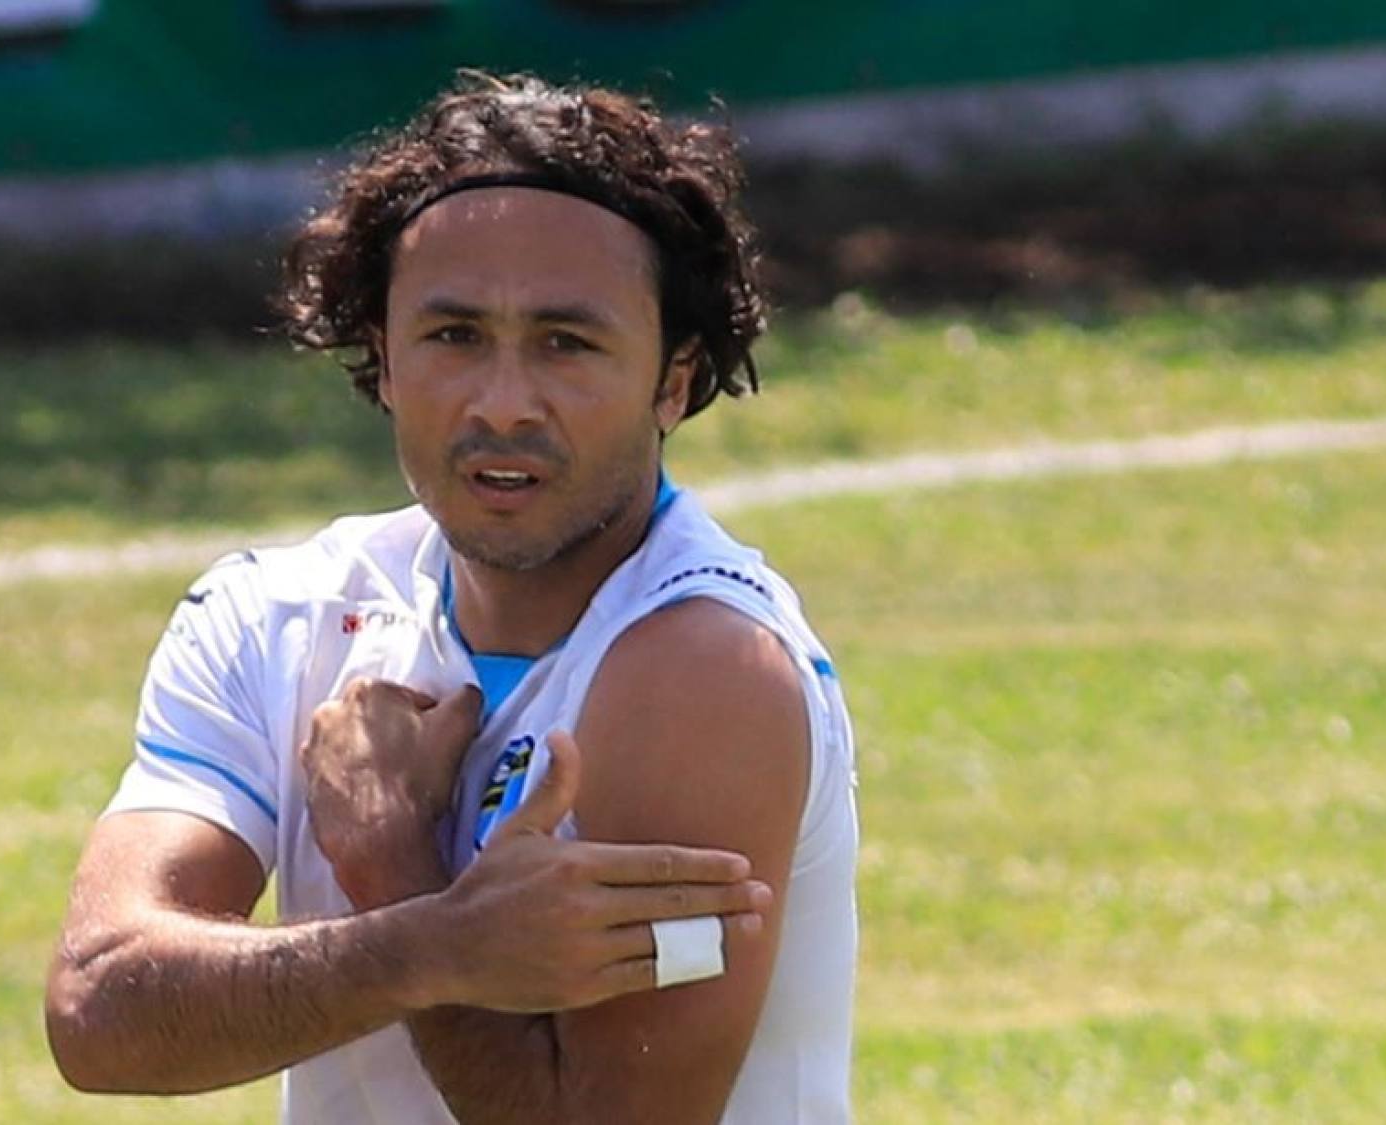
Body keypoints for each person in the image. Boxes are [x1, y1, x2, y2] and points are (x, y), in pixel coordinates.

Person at [45, 71, 859, 1124]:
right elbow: (98, 1010)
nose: (503, 404)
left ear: (671, 378)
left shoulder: (706, 669)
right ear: (383, 359)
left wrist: (392, 862)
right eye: (454, 336)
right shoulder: (273, 616)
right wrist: (432, 943)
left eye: (567, 342)